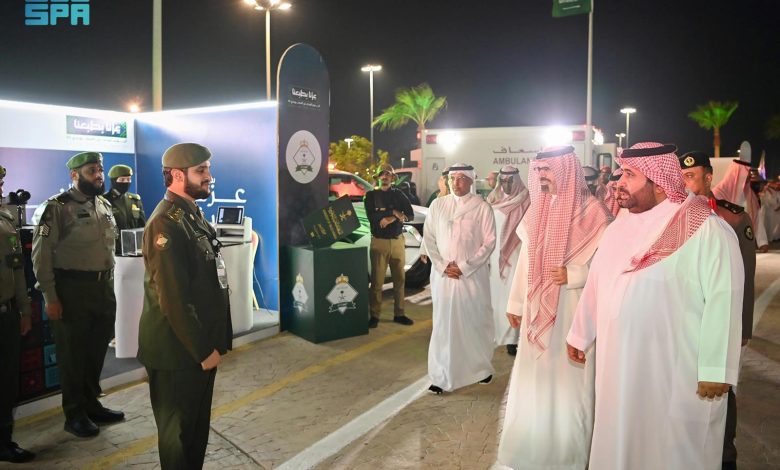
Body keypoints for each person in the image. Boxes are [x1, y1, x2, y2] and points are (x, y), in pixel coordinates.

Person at [567, 142, 744, 470]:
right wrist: (580, 332)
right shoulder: (619, 226)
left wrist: (716, 368)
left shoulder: (705, 228)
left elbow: (725, 298)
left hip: (675, 369)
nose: (619, 183)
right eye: (621, 173)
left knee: (670, 448)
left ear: (659, 184)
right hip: (618, 366)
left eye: (629, 175)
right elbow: (598, 283)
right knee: (619, 436)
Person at [497, 146, 611, 469]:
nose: (542, 177)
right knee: (535, 381)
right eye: (539, 171)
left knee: (568, 387)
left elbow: (606, 266)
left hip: (574, 313)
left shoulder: (593, 213)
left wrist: (575, 274)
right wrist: (516, 302)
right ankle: (532, 452)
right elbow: (526, 260)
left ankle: (567, 457)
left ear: (566, 170)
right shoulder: (538, 209)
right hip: (536, 310)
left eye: (547, 171)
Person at [138, 143, 232, 469]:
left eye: (208, 168)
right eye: (201, 170)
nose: (209, 176)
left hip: (193, 348)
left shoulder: (189, 214)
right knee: (178, 438)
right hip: (177, 352)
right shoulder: (165, 223)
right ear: (178, 175)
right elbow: (174, 298)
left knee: (195, 432)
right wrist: (203, 350)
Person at [31, 152, 123, 438]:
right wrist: (50, 296)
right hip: (72, 290)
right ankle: (74, 414)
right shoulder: (56, 208)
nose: (99, 175)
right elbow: (41, 256)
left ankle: (91, 404)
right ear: (75, 175)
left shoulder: (103, 204)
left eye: (100, 170)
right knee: (73, 355)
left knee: (95, 351)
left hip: (103, 288)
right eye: (92, 170)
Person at [679, 150, 755, 470]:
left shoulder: (732, 218)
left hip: (721, 321)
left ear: (708, 178)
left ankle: (725, 455)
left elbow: (744, 281)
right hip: (686, 324)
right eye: (681, 177)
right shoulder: (672, 217)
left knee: (722, 388)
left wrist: (742, 330)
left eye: (691, 176)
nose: (685, 183)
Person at [423, 164, 496, 394]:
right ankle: (441, 374)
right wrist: (443, 266)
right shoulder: (438, 205)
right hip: (444, 277)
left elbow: (489, 242)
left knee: (474, 321)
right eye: (453, 178)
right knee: (444, 325)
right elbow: (429, 239)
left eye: (462, 178)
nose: (456, 183)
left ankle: (480, 369)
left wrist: (464, 267)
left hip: (471, 277)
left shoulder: (482, 207)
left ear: (472, 181)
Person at [0, 165, 35, 463]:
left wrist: (24, 309)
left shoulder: (6, 219)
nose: (0, 188)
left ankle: (3, 440)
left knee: (7, 382)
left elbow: (17, 268)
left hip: (7, 314)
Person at [485, 166, 530, 356]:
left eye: (510, 181)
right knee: (496, 297)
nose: (506, 185)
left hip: (517, 258)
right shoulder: (492, 200)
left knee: (515, 296)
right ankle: (496, 335)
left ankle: (513, 338)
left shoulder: (527, 201)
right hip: (495, 258)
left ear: (517, 180)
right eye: (503, 181)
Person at [364, 164, 415, 328]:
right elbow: (372, 217)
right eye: (382, 174)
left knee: (400, 280)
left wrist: (392, 218)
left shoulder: (399, 194)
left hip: (398, 241)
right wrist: (393, 212)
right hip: (379, 242)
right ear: (378, 177)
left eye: (388, 174)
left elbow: (410, 215)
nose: (385, 177)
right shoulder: (371, 196)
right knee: (377, 282)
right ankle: (374, 316)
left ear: (393, 178)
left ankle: (399, 314)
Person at [714, 159, 769, 252]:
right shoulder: (718, 193)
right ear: (738, 173)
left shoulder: (750, 194)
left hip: (745, 241)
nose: (750, 175)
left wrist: (763, 242)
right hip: (725, 243)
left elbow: (757, 219)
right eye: (747, 172)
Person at [103, 164, 146, 254]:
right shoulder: (104, 200)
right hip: (113, 250)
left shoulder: (134, 200)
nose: (126, 182)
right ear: (114, 180)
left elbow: (142, 226)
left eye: (129, 179)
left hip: (134, 250)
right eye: (122, 180)